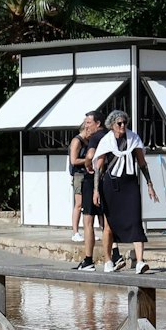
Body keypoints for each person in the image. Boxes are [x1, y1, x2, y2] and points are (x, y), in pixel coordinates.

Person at [91, 110, 157, 274]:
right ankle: (108, 260)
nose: (122, 126)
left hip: (129, 184)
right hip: (111, 185)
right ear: (112, 125)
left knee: (135, 220)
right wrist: (95, 190)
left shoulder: (134, 139)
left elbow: (142, 163)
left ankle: (140, 261)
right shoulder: (107, 141)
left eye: (124, 123)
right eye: (119, 123)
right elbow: (99, 168)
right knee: (109, 225)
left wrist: (150, 184)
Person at [67, 111, 103, 267]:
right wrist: (89, 161)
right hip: (79, 175)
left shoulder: (92, 139)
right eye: (87, 125)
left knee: (93, 209)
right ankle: (75, 232)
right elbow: (74, 160)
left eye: (90, 124)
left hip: (89, 175)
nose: (89, 129)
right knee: (79, 204)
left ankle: (94, 255)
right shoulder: (77, 141)